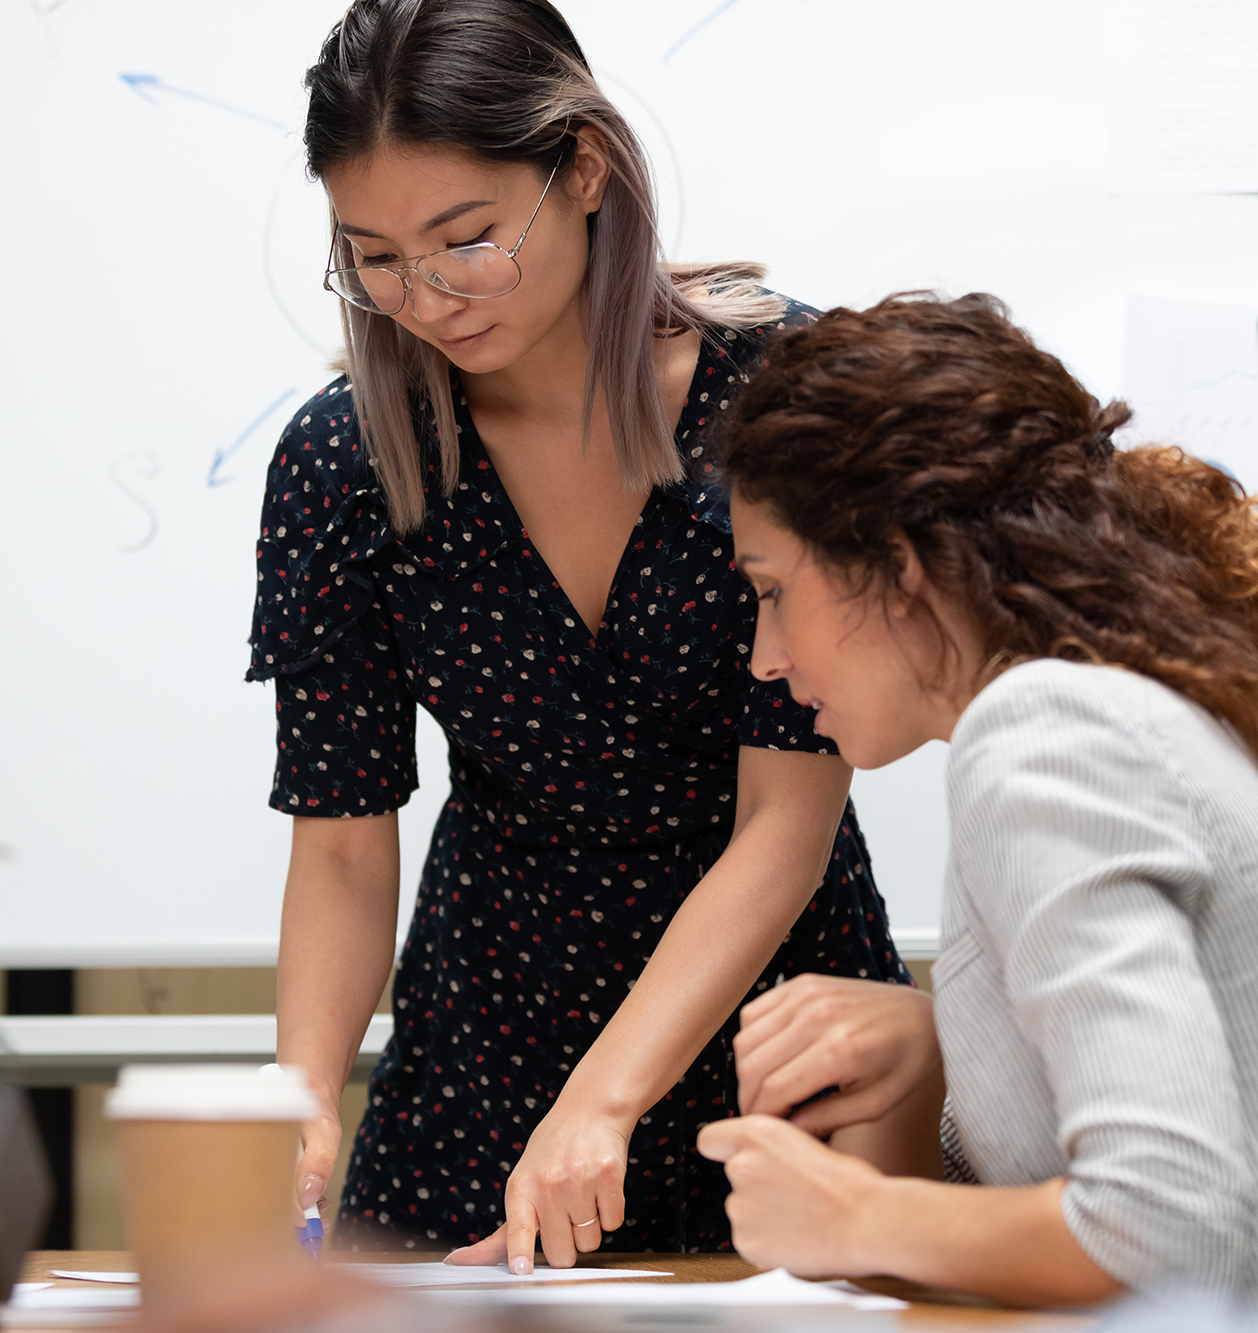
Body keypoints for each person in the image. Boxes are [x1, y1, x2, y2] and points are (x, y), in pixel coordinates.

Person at [247, 0, 908, 1268]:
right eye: (373, 256)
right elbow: (338, 842)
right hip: (484, 1044)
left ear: (585, 169)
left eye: (466, 239)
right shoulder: (343, 462)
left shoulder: (775, 392)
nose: (424, 296)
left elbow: (787, 816)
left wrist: (603, 1101)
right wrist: (303, 1094)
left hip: (773, 1011)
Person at [696, 292, 1258, 1304]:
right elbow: (1055, 1203)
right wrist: (926, 1059)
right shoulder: (1105, 708)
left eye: (772, 590)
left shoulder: (1039, 733)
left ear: (895, 563)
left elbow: (1159, 1227)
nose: (764, 658)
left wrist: (848, 1212)